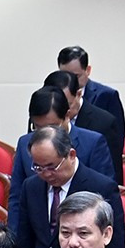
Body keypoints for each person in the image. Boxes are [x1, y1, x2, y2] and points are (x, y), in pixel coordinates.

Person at [13, 127, 125, 248]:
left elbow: (115, 246)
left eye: (52, 167)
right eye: (38, 167)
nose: (46, 174)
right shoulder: (31, 186)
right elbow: (25, 242)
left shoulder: (101, 187)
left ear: (71, 155)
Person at [7, 87, 114, 233]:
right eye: (38, 127)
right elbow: (16, 197)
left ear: (67, 116)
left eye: (52, 126)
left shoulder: (93, 143)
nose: (44, 132)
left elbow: (104, 193)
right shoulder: (25, 143)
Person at [57, 46, 125, 153]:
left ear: (88, 70)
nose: (70, 81)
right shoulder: (52, 96)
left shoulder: (107, 96)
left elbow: (116, 141)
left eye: (76, 76)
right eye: (64, 75)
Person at [44, 69, 123, 158]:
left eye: (67, 104)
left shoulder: (105, 123)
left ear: (78, 94)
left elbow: (111, 165)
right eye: (55, 105)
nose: (61, 111)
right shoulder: (40, 120)